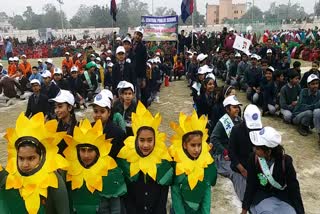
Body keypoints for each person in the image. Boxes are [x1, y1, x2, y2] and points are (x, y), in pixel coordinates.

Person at [0, 113, 70, 214]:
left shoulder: (54, 181)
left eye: (31, 158)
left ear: (41, 157)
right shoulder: (11, 177)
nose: (25, 164)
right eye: (21, 158)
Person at [117, 102, 173, 214]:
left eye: (149, 140)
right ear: (136, 139)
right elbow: (126, 195)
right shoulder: (126, 159)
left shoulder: (163, 160)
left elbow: (163, 196)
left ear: (155, 139)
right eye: (142, 140)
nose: (146, 145)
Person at [63, 119, 127, 214]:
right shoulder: (69, 170)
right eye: (83, 150)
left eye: (90, 151)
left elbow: (116, 209)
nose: (86, 155)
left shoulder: (110, 172)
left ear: (97, 152)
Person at [241, 127, 304, 214]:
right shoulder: (253, 159)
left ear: (268, 151)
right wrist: (244, 209)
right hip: (262, 196)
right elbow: (251, 185)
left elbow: (294, 188)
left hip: (282, 197)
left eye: (258, 149)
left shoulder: (285, 162)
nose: (254, 150)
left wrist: (300, 211)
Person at [170, 111, 217, 214]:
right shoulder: (178, 164)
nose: (196, 149)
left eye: (199, 145)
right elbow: (176, 195)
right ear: (185, 145)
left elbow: (206, 194)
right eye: (193, 145)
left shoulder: (206, 163)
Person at [229, 104, 263, 201]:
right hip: (240, 166)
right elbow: (231, 152)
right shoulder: (236, 130)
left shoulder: (260, 129)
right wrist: (242, 170)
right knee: (245, 194)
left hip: (255, 165)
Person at [90, 89, 126, 159]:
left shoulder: (118, 133)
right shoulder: (89, 128)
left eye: (102, 111)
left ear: (109, 112)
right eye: (96, 111)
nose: (98, 115)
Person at [292, 74, 320, 140]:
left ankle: (308, 126)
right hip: (297, 116)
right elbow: (302, 107)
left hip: (310, 115)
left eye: (317, 83)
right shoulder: (303, 91)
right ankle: (302, 126)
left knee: (316, 112)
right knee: (309, 112)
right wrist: (316, 105)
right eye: (313, 84)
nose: (315, 86)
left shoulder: (319, 93)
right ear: (308, 85)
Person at [50, 90, 78, 155]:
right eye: (55, 107)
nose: (56, 110)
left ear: (70, 108)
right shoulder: (54, 127)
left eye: (60, 107)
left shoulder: (78, 127)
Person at [132, 27, 148, 105]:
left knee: (138, 94)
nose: (138, 36)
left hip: (138, 75)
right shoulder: (128, 44)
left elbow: (144, 64)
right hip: (129, 73)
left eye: (140, 35)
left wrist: (143, 79)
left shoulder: (143, 48)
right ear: (134, 34)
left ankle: (138, 110)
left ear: (141, 37)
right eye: (137, 34)